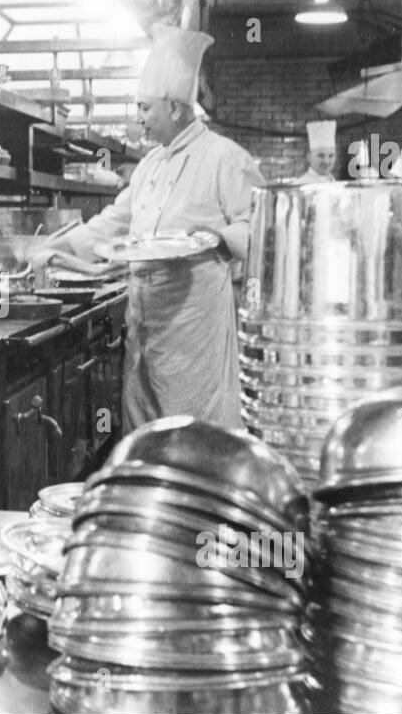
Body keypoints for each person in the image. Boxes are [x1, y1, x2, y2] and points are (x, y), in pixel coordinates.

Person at [31, 25, 263, 432]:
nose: (139, 121)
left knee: (194, 436)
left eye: (145, 108)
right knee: (144, 434)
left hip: (195, 332)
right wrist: (54, 246)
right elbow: (113, 224)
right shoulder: (149, 166)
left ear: (174, 108)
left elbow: (261, 229)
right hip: (144, 323)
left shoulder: (225, 158)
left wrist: (217, 238)